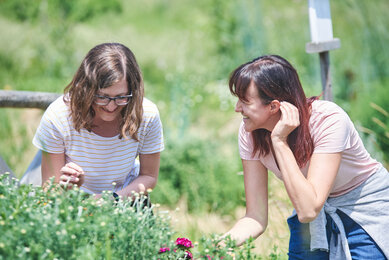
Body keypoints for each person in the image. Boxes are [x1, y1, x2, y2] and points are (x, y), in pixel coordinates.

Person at [223, 55, 389, 259]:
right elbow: (256, 217)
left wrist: (279, 141)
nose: (237, 108)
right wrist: (216, 247)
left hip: (363, 208)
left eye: (244, 101)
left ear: (274, 106)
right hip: (311, 208)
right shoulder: (250, 132)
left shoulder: (328, 120)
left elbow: (308, 210)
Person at [30, 42, 164, 200]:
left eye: (121, 97)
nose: (111, 106)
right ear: (86, 89)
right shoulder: (58, 115)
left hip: (126, 197)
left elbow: (149, 177)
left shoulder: (146, 114)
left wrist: (112, 200)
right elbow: (50, 188)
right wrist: (69, 187)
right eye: (102, 97)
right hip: (74, 203)